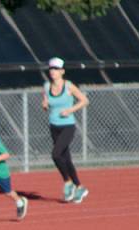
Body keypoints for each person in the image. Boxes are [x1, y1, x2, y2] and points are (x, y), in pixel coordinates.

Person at [42, 57, 89, 203]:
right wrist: (44, 105)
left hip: (68, 126)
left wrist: (70, 110)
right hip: (54, 126)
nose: (53, 71)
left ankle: (67, 183)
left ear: (62, 71)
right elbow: (46, 103)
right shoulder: (46, 86)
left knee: (56, 154)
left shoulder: (68, 86)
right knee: (66, 159)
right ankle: (80, 187)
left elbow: (85, 100)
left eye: (56, 69)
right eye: (51, 68)